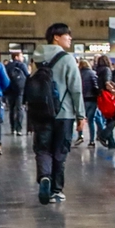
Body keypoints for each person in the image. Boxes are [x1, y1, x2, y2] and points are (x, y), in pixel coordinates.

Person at [33, 24, 85, 205]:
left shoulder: (36, 57)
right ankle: (56, 190)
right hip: (64, 113)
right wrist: (81, 115)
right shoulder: (68, 59)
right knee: (60, 152)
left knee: (42, 148)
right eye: (67, 35)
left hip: (40, 112)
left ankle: (44, 176)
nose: (70, 39)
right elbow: (76, 89)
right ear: (56, 37)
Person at [4, 51, 30, 136]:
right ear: (16, 57)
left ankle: (12, 128)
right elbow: (27, 75)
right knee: (19, 108)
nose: (22, 58)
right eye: (21, 56)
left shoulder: (7, 65)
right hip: (20, 90)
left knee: (11, 109)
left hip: (10, 90)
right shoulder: (22, 65)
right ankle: (19, 129)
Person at [79, 59, 100, 148]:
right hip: (92, 99)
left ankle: (80, 136)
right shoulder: (93, 73)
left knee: (80, 118)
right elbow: (96, 86)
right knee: (91, 121)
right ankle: (92, 141)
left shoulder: (78, 74)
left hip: (82, 99)